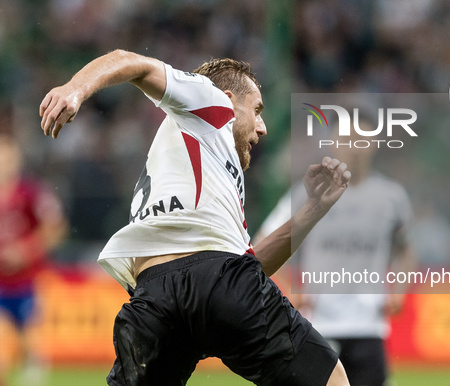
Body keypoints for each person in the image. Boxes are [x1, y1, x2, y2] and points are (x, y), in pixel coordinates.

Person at [39, 49, 351, 386]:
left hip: (154, 302)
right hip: (216, 282)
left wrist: (312, 210)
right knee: (328, 378)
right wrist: (76, 88)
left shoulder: (191, 168)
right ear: (229, 99)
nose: (262, 128)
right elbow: (132, 62)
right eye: (257, 110)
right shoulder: (211, 101)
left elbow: (251, 264)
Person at [256, 116, 416, 386]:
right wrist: (289, 289)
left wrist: (399, 288)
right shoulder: (307, 193)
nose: (353, 146)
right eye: (345, 139)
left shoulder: (391, 196)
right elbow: (263, 240)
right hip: (318, 325)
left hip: (368, 325)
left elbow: (406, 249)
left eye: (360, 139)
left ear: (374, 143)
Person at [0, 133, 68, 386]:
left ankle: (34, 364)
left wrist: (24, 251)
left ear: (16, 159)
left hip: (27, 281)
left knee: (29, 343)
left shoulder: (30, 192)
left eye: (6, 157)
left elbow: (56, 229)